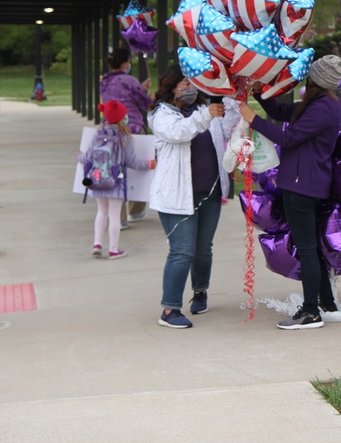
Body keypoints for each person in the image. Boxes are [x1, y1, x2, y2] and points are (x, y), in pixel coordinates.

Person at [238, 55, 341, 330]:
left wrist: (252, 119)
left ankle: (311, 312)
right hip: (304, 183)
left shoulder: (324, 107)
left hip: (303, 186)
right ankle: (326, 303)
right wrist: (261, 94)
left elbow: (289, 137)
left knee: (308, 250)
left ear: (316, 79)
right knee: (311, 248)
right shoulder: (320, 103)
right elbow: (282, 113)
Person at [148, 67, 235, 329]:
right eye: (184, 83)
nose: (190, 87)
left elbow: (229, 125)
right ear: (171, 87)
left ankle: (200, 291)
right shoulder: (161, 116)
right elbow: (181, 133)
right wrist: (208, 115)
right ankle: (169, 309)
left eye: (193, 82)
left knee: (202, 249)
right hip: (177, 196)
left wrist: (231, 97)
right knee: (181, 251)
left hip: (209, 191)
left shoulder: (206, 110)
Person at [78, 100, 154, 260]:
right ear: (122, 118)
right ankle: (113, 250)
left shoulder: (97, 135)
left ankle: (97, 244)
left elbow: (86, 158)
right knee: (114, 215)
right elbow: (133, 162)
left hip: (97, 180)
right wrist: (149, 164)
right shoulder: (125, 138)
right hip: (115, 182)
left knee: (101, 211)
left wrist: (79, 155)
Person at [100, 48, 154, 227]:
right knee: (141, 168)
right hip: (133, 130)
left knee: (116, 171)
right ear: (125, 64)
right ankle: (136, 210)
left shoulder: (105, 81)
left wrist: (140, 86)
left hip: (110, 130)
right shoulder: (130, 80)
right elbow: (145, 104)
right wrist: (151, 94)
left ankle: (118, 218)